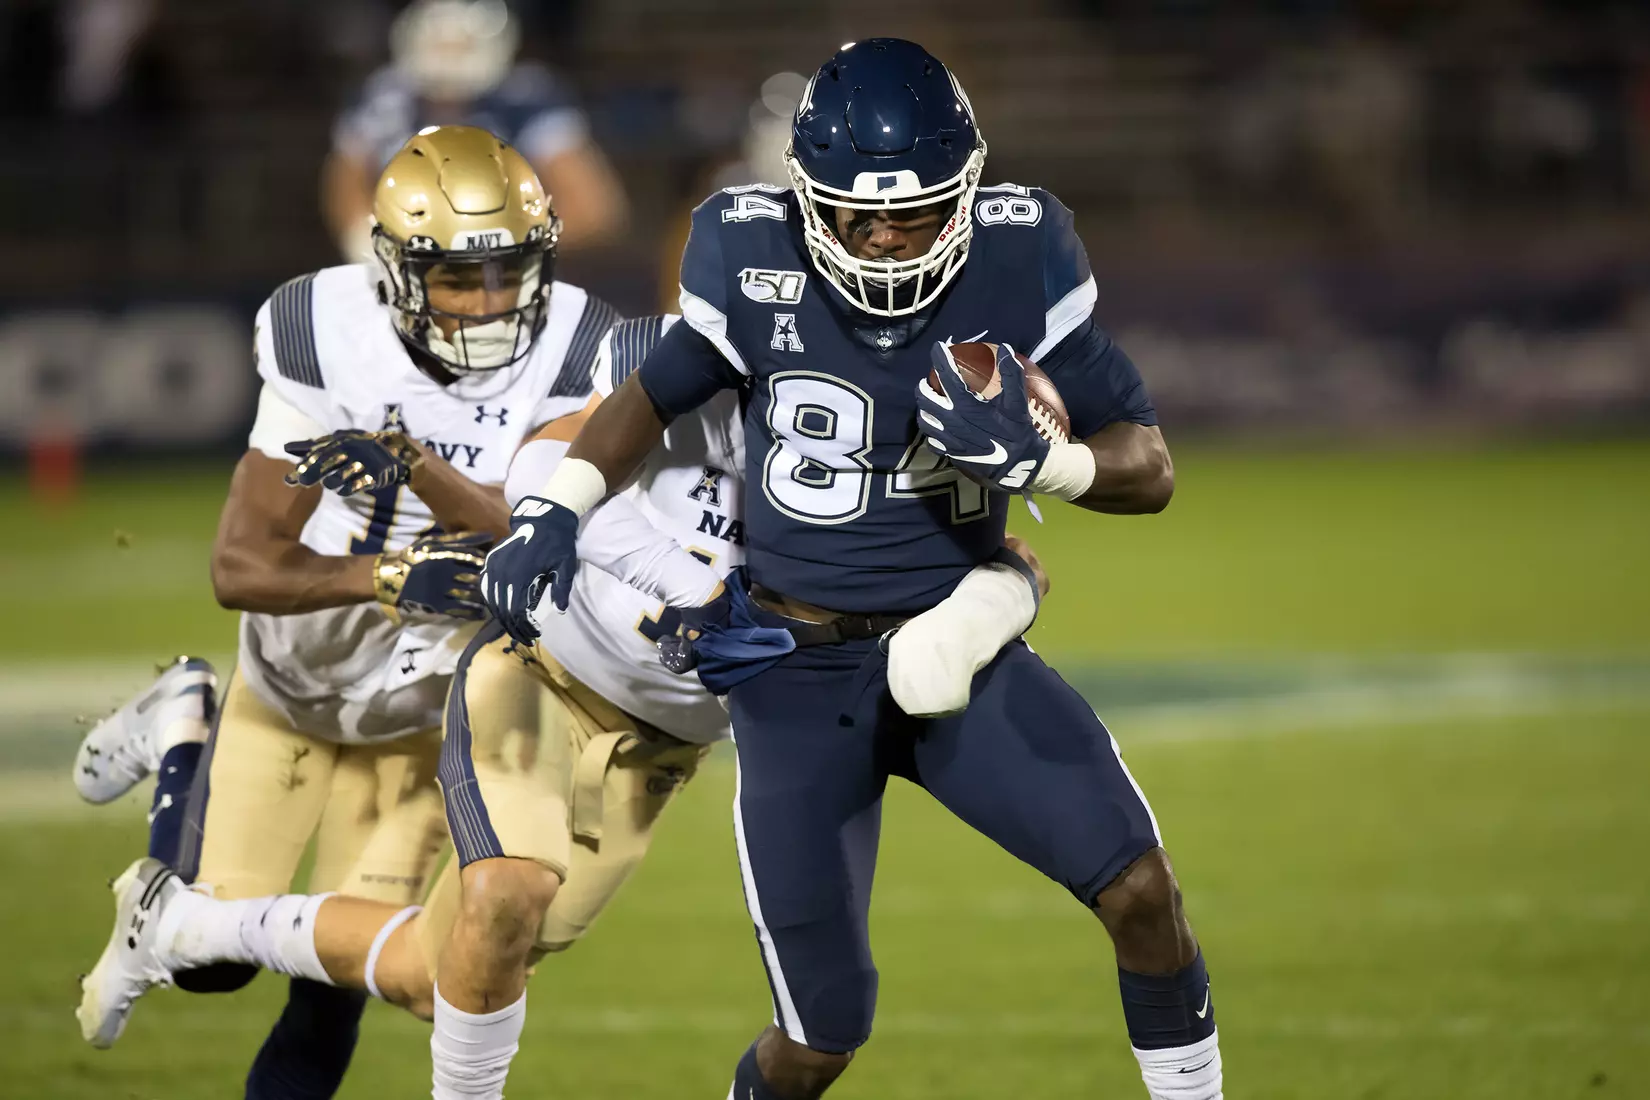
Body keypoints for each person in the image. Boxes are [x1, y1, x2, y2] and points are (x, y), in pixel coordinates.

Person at [479, 37, 1224, 1100]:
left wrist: (1049, 462)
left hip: (954, 646)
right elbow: (648, 396)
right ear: (803, 194)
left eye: (910, 212)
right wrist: (558, 507)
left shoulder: (1022, 257)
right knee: (821, 1035)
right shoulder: (748, 250)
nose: (879, 237)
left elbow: (1147, 465)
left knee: (1143, 890)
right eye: (851, 212)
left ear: (963, 194)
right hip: (795, 672)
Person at [78, 314, 1048, 1100]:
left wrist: (988, 597)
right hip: (543, 677)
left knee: (443, 968)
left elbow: (1004, 558)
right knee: (509, 890)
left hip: (664, 745)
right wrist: (681, 593)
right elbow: (548, 466)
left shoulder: (858, 454)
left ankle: (181, 925)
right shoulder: (687, 374)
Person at [75, 123, 621, 1100]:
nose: (490, 303)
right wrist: (384, 576)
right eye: (458, 276)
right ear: (397, 269)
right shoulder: (330, 333)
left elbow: (533, 530)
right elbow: (241, 563)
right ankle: (185, 727)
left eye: (509, 271)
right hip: (294, 676)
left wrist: (417, 469)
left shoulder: (582, 344)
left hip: (420, 706)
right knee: (212, 959)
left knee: (338, 979)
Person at [322, 0, 627, 262]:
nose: (448, 49)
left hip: (504, 278)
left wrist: (501, 243)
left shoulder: (527, 98)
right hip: (401, 272)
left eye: (460, 41)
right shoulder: (385, 95)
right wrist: (364, 237)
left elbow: (594, 210)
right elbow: (346, 176)